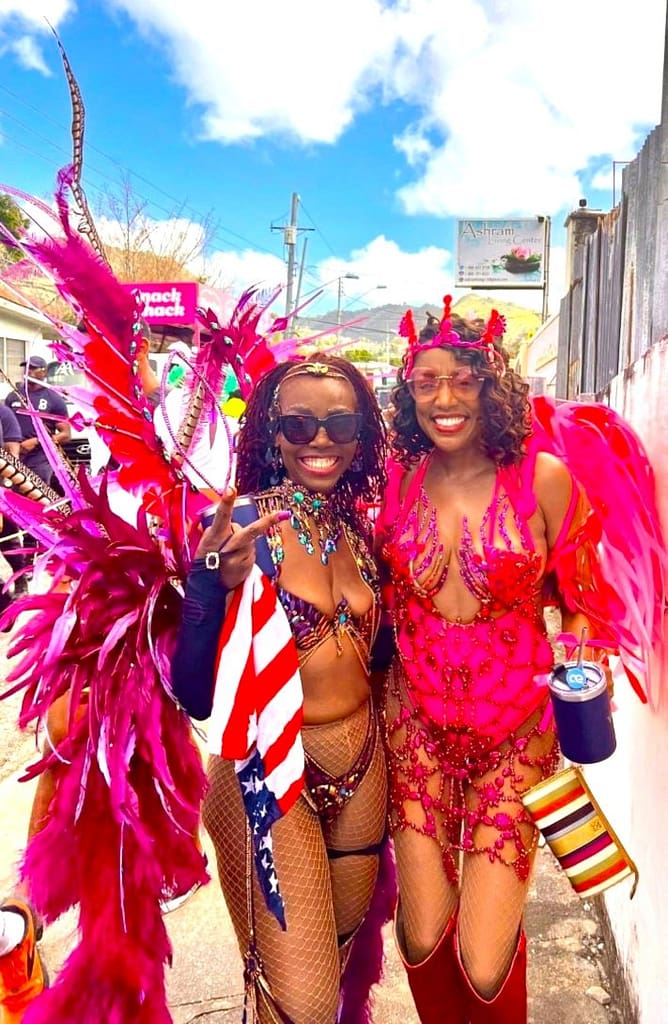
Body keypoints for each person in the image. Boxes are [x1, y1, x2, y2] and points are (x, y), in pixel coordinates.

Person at [375, 299, 654, 1023]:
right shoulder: (397, 484)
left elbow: (584, 598)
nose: (443, 399)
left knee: (484, 955)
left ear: (492, 383)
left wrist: (579, 661)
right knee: (422, 929)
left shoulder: (546, 479)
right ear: (407, 390)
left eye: (462, 380)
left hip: (516, 735)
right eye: (426, 381)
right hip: (414, 728)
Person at [171, 355, 391, 1024]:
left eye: (339, 422)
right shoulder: (239, 527)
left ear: (361, 435)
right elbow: (194, 695)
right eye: (298, 423)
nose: (319, 439)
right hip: (267, 780)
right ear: (269, 432)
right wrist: (211, 579)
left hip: (362, 772)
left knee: (338, 966)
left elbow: (381, 662)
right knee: (302, 1002)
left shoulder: (359, 532)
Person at [5, 357, 70, 486]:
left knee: (37, 495)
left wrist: (37, 441)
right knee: (11, 495)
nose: (28, 372)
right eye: (27, 368)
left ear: (44, 372)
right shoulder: (14, 396)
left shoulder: (54, 399)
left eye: (34, 368)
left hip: (40, 458)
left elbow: (65, 435)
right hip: (15, 456)